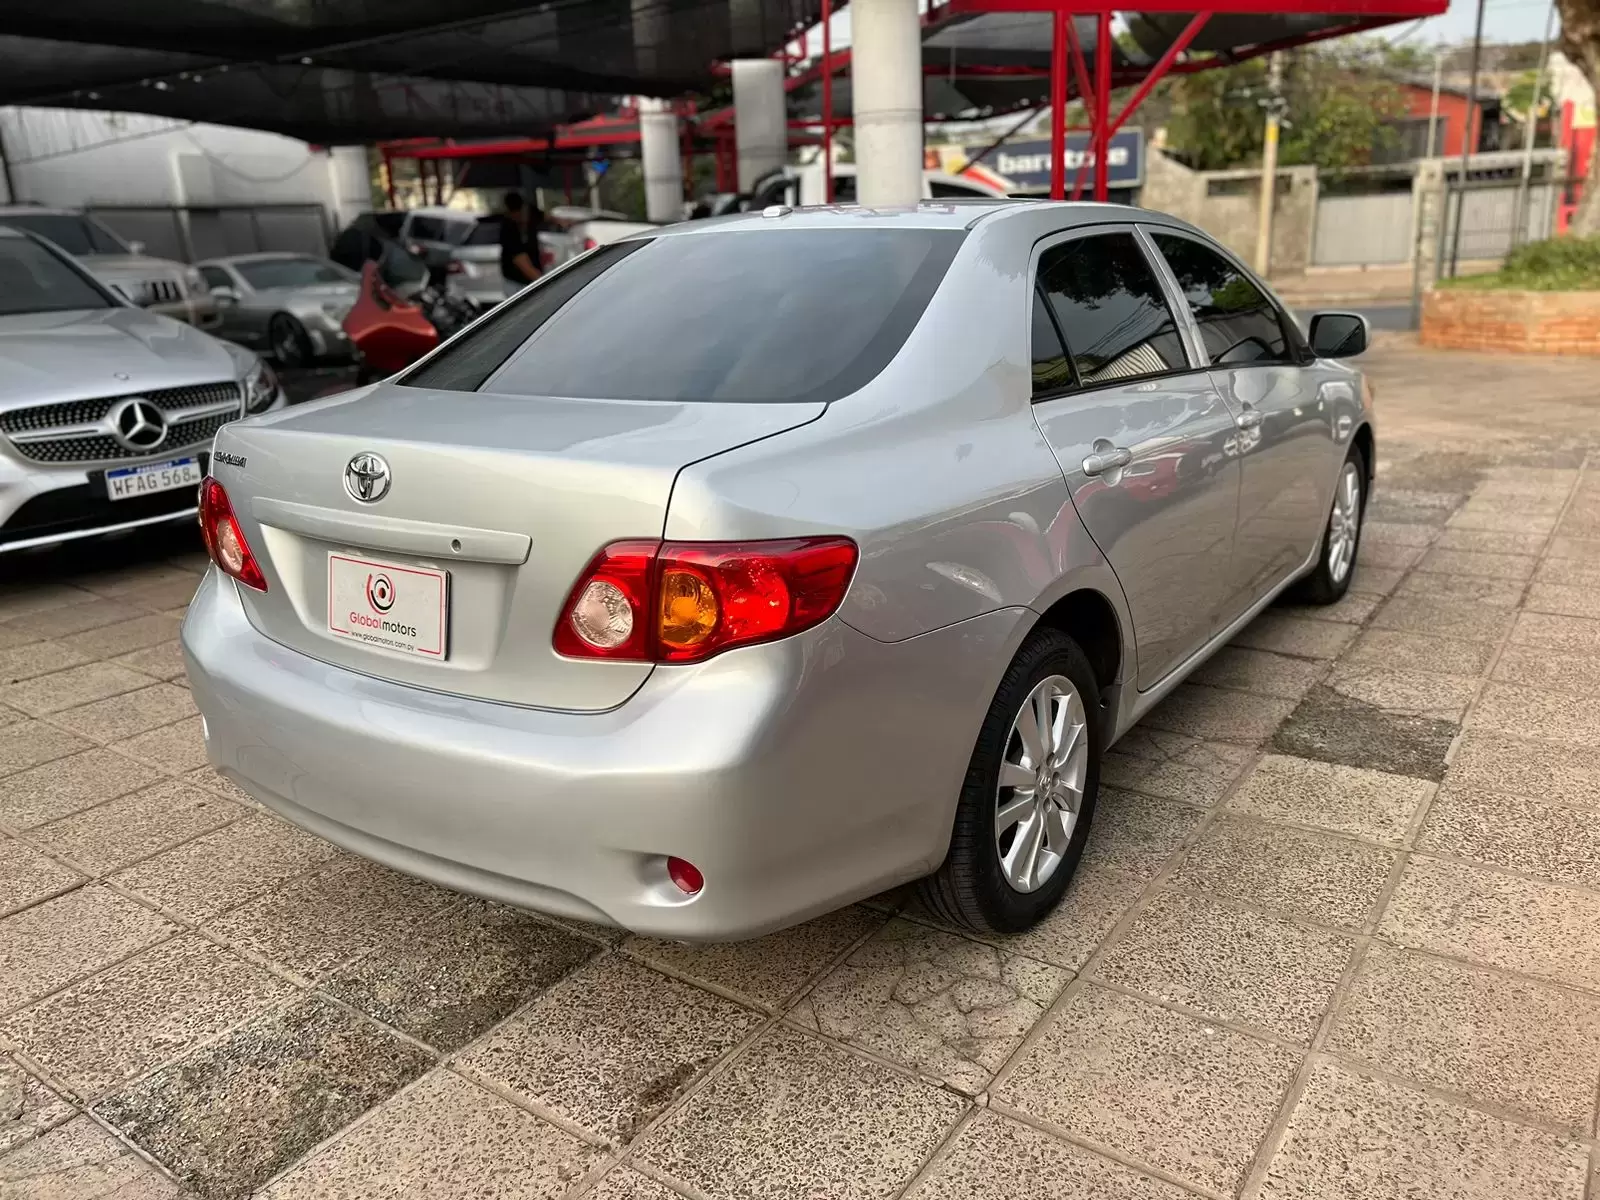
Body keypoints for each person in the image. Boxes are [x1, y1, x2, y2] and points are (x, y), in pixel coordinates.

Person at [498, 191, 541, 298]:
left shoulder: (526, 226)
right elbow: (520, 260)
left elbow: (547, 217)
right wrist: (543, 281)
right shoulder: (509, 229)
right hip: (518, 285)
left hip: (526, 282)